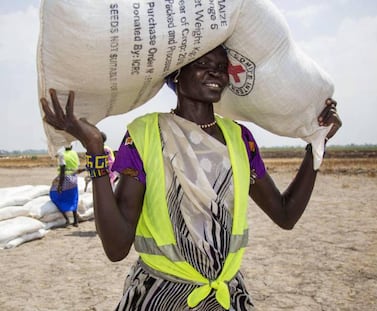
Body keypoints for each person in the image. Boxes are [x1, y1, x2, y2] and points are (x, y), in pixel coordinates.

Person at [40, 45, 341, 310]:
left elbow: (285, 215)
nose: (215, 73)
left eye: (221, 68)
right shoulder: (144, 135)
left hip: (225, 299)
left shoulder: (240, 139)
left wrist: (317, 145)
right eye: (202, 64)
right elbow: (117, 247)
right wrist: (94, 150)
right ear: (176, 75)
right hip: (160, 297)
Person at [49, 144, 81, 227]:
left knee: (54, 195)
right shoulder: (74, 153)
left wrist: (60, 185)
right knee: (73, 198)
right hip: (74, 178)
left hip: (65, 178)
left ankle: (67, 220)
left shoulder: (61, 155)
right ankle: (76, 221)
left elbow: (62, 169)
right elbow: (77, 166)